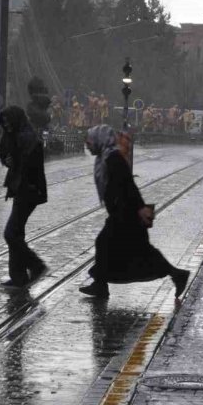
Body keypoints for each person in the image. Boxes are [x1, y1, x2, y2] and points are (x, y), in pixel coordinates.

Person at [79, 125, 190, 300]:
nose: (87, 144)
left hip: (126, 213)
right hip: (121, 212)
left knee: (111, 244)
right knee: (135, 249)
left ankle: (177, 275)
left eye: (90, 140)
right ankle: (177, 275)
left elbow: (128, 184)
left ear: (100, 139)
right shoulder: (105, 157)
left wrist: (139, 208)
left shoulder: (113, 158)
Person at [0, 106, 48, 289]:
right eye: (4, 123)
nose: (7, 126)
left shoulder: (28, 138)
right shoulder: (13, 134)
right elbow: (4, 152)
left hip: (29, 190)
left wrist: (14, 161)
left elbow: (30, 165)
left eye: (9, 122)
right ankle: (18, 277)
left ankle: (36, 265)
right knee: (16, 233)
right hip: (19, 189)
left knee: (10, 233)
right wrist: (6, 160)